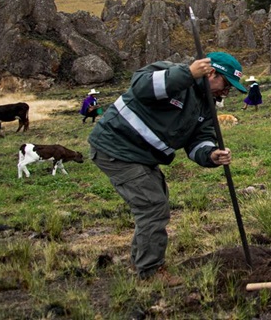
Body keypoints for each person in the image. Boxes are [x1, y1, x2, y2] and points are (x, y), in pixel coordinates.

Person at [88, 51, 247, 284]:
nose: (226, 92)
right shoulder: (173, 75)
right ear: (210, 73)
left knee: (156, 199)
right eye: (225, 84)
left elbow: (198, 142)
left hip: (142, 156)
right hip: (116, 147)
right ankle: (150, 272)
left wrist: (211, 154)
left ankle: (140, 261)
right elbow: (141, 85)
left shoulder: (207, 107)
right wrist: (188, 74)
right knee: (152, 206)